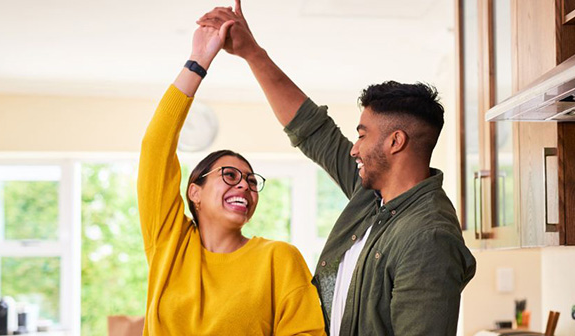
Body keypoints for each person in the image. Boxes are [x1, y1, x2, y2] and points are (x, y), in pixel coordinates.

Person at [197, 2, 477, 335]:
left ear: (395, 142)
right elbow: (313, 131)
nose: (354, 148)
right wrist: (252, 53)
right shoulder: (373, 197)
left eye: (362, 135)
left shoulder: (428, 236)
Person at [137, 21, 325, 336]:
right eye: (230, 175)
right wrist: (198, 61)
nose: (245, 185)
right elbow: (155, 148)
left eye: (252, 181)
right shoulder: (169, 244)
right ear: (194, 192)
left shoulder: (278, 259)